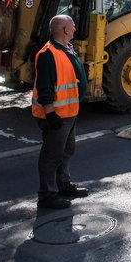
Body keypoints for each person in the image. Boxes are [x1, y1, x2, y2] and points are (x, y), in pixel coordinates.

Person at [32, 14, 89, 210]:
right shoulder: (48, 53)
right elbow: (44, 86)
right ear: (65, 29)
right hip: (57, 114)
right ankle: (47, 195)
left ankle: (64, 185)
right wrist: (50, 113)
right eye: (72, 26)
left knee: (66, 151)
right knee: (52, 155)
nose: (74, 28)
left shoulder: (66, 49)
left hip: (69, 111)